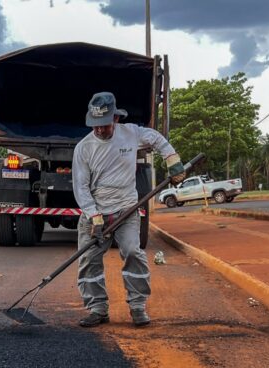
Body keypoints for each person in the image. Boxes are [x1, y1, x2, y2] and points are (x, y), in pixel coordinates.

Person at [72, 92, 185, 327]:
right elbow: (80, 187)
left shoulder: (131, 133)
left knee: (133, 253)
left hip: (126, 210)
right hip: (96, 213)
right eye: (95, 126)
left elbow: (156, 138)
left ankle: (137, 306)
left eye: (104, 125)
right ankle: (97, 309)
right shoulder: (84, 148)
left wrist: (172, 159)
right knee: (89, 260)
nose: (100, 130)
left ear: (115, 119)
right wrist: (93, 215)